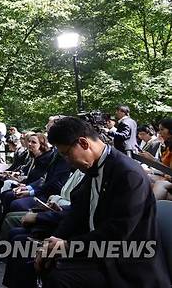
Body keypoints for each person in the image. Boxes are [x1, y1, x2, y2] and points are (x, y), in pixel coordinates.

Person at [37, 116, 169, 287]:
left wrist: (67, 246)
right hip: (98, 252)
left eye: (66, 154)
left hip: (127, 263)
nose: (67, 161)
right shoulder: (94, 167)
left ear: (84, 143)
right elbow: (78, 213)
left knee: (59, 277)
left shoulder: (128, 174)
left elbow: (118, 233)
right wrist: (55, 239)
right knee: (32, 253)